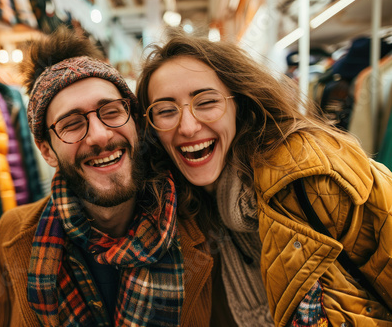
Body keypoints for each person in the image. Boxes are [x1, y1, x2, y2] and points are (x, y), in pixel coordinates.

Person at [136, 28, 392, 327]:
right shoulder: (182, 213)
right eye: (166, 110)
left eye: (206, 102)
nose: (188, 127)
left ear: (238, 104)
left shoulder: (311, 174)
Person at [0, 26, 215, 327]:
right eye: (72, 123)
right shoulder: (13, 234)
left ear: (137, 124)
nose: (100, 136)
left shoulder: (201, 226)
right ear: (46, 151)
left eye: (112, 111)